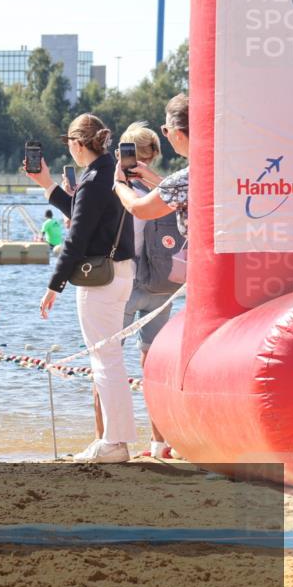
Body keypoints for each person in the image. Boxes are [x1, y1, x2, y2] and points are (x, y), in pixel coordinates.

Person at [24, 113, 137, 463]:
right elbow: (84, 212)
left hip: (100, 279)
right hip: (120, 273)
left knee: (105, 361)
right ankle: (115, 439)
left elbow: (76, 237)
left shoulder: (93, 179)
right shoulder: (109, 171)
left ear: (76, 143)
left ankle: (115, 443)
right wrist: (48, 185)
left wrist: (53, 286)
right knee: (110, 358)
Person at [95, 121, 184, 459]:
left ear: (121, 155)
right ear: (156, 154)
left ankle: (106, 441)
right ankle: (160, 443)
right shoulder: (170, 189)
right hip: (163, 287)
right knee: (155, 369)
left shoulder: (117, 190)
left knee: (106, 363)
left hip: (124, 287)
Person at [113, 94, 190, 239]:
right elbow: (176, 190)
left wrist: (119, 184)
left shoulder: (184, 180)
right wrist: (152, 177)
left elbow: (138, 208)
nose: (166, 136)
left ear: (179, 134)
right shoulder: (209, 170)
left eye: (166, 130)